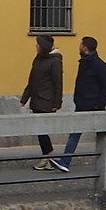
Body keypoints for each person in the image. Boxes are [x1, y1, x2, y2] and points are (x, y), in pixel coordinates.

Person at [56, 34, 106, 163]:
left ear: (85, 48)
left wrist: (99, 104)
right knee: (75, 134)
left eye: (80, 45)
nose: (79, 47)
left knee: (101, 135)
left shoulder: (99, 65)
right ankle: (65, 161)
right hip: (82, 105)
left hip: (95, 106)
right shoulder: (84, 63)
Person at [22, 34, 67, 171]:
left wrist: (57, 103)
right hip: (36, 99)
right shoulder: (39, 59)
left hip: (46, 100)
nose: (36, 46)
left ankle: (49, 156)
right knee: (40, 130)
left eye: (38, 44)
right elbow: (32, 80)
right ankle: (47, 157)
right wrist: (25, 98)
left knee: (42, 130)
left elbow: (58, 83)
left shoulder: (55, 61)